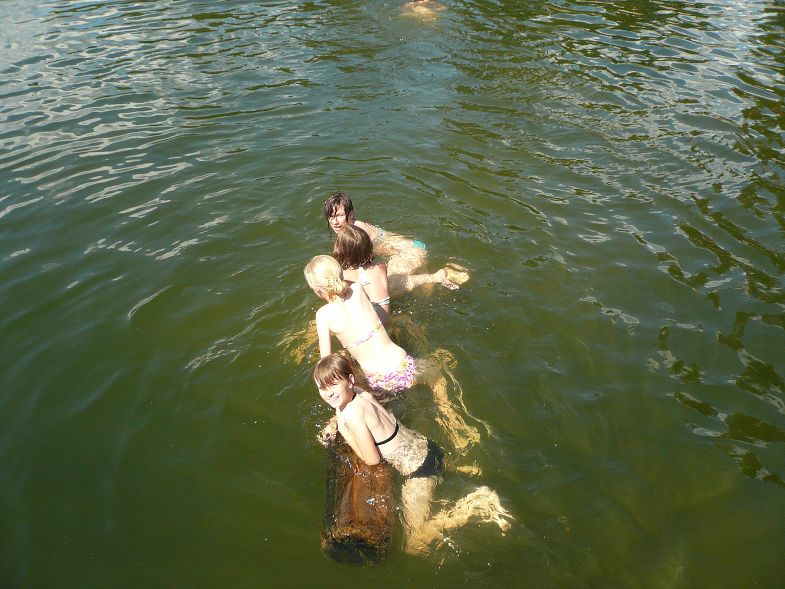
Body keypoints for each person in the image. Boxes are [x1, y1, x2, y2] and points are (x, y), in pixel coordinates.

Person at [313, 353, 512, 555]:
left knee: (414, 544)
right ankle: (466, 471)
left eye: (333, 385)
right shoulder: (360, 393)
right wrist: (339, 416)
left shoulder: (352, 414)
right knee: (442, 475)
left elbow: (372, 460)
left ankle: (477, 503)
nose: (328, 393)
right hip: (427, 447)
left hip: (418, 471)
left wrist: (344, 431)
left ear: (350, 380)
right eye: (321, 387)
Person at [304, 254, 482, 453]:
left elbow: (326, 365)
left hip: (380, 380)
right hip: (403, 364)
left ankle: (336, 423)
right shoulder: (358, 289)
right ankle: (455, 424)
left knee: (381, 415)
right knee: (439, 385)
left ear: (317, 290)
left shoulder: (323, 315)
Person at [323, 192, 468, 294]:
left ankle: (437, 277)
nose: (334, 222)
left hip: (409, 251)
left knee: (386, 286)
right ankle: (426, 274)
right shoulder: (351, 230)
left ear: (351, 214)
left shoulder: (356, 230)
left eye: (339, 216)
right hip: (411, 248)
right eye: (330, 217)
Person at [333, 225, 391, 324]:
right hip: (387, 323)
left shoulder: (342, 276)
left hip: (365, 326)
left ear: (341, 250)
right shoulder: (381, 267)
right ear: (368, 246)